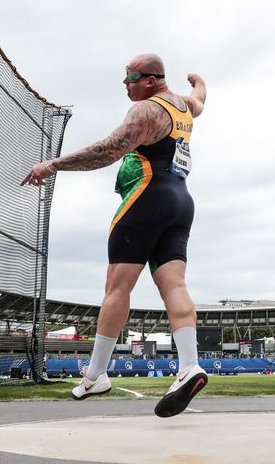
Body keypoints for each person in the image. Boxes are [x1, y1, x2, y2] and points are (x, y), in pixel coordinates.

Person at [21, 54, 207, 418]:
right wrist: (197, 80)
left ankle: (95, 375)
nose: (125, 84)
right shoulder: (184, 106)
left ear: (151, 80)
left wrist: (52, 165)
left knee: (117, 287)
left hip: (147, 198)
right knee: (173, 284)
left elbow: (107, 151)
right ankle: (190, 365)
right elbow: (201, 99)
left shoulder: (147, 112)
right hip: (181, 202)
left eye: (131, 78)